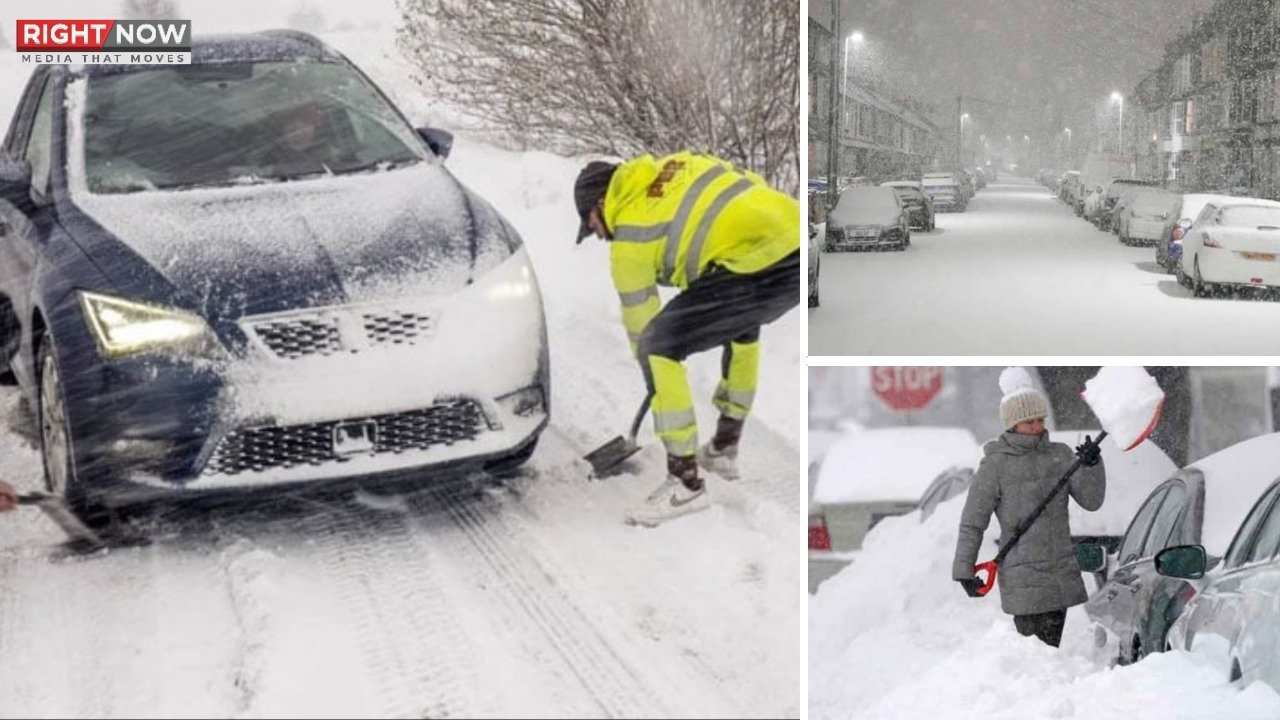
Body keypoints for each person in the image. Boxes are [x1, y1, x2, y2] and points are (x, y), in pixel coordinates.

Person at [573, 151, 799, 526]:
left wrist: (654, 374)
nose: (596, 234)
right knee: (741, 327)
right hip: (795, 242)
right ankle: (723, 449)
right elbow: (738, 182)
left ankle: (685, 482)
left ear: (600, 202)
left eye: (591, 223)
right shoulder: (674, 166)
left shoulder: (629, 235)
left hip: (757, 263)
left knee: (659, 347)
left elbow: (644, 334)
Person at [952, 367, 1106, 648]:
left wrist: (1092, 466)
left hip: (1059, 573)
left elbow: (1092, 501)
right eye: (1028, 421)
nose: (1036, 426)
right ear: (1011, 424)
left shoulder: (1060, 455)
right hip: (1023, 578)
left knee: (1048, 652)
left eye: (1039, 419)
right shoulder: (996, 465)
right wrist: (964, 569)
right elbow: (973, 521)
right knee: (1036, 654)